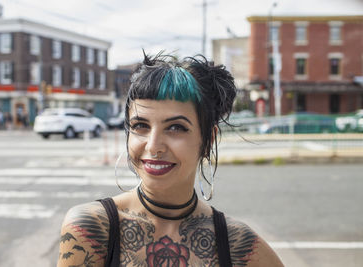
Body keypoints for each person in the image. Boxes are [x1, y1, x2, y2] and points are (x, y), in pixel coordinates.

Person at [57, 52, 284, 267]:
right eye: (140, 126)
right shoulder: (92, 229)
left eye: (176, 127)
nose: (154, 146)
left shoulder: (238, 244)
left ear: (208, 140)